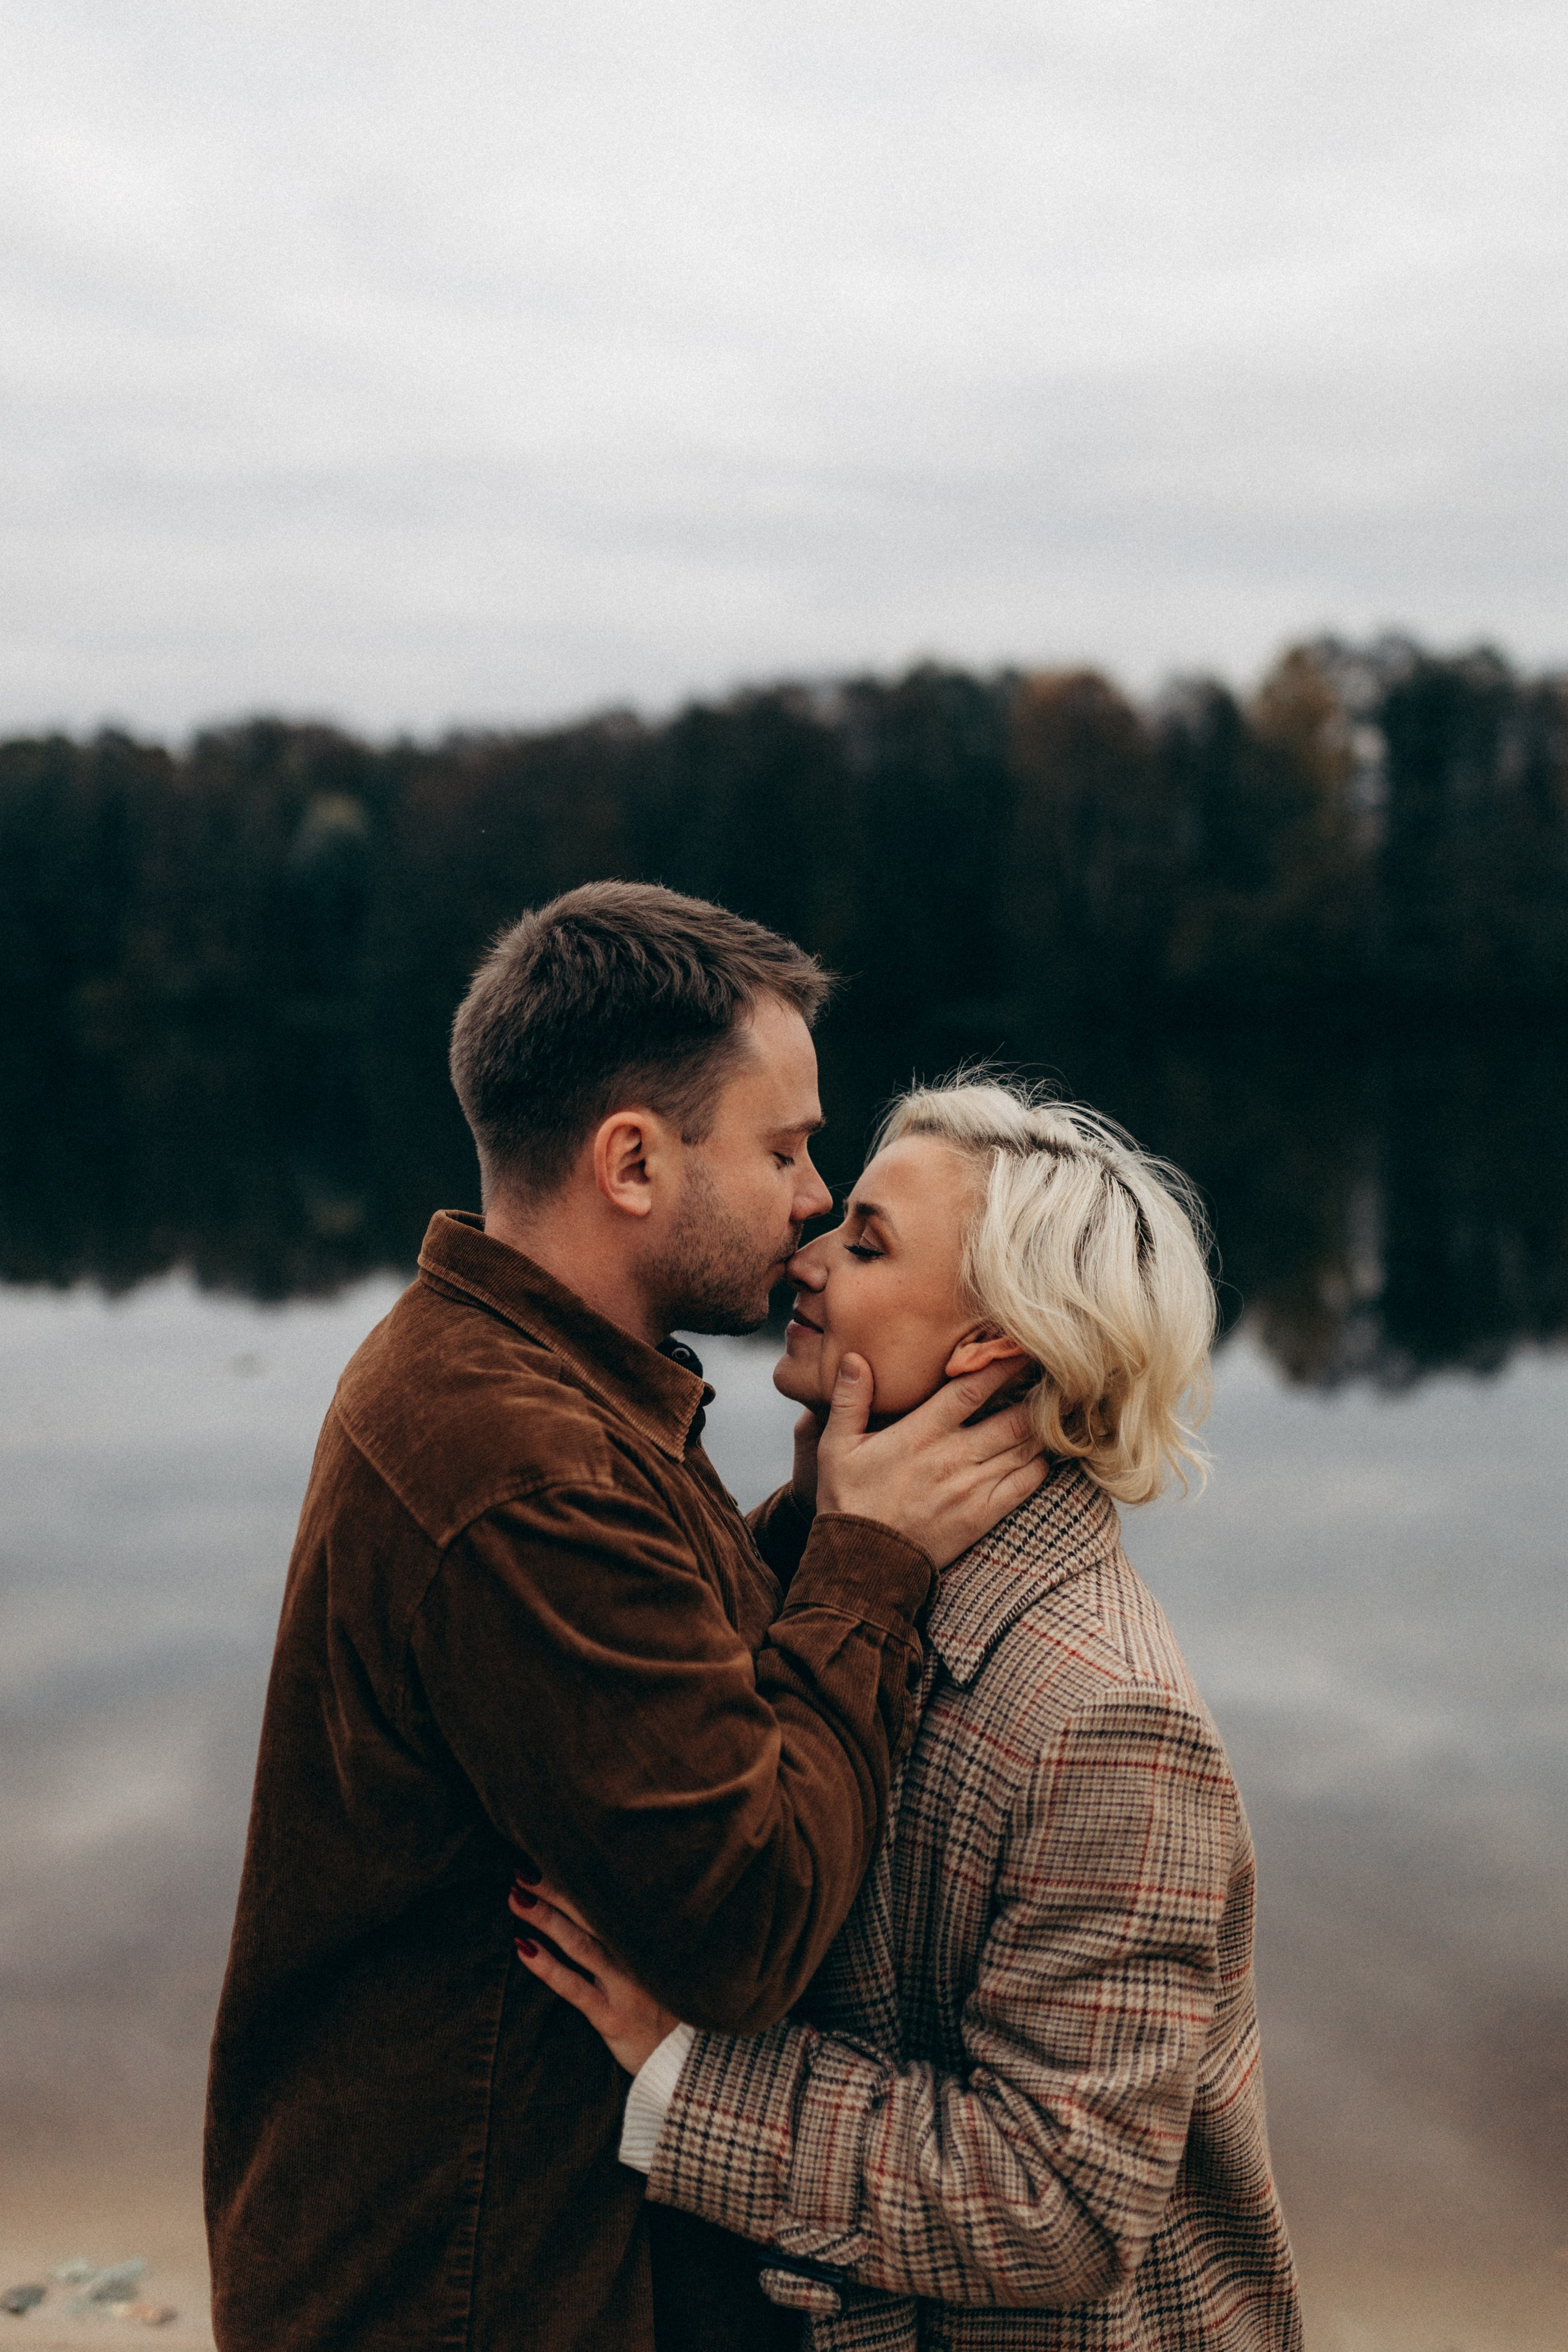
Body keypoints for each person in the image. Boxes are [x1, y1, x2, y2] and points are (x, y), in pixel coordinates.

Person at [204, 888, 1046, 2352]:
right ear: (635, 1160)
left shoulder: (520, 1377)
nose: (811, 1198)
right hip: (469, 2293)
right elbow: (747, 1921)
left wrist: (816, 1524)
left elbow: (661, 1669)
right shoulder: (517, 1460)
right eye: (782, 1147)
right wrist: (864, 1565)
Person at [508, 1078, 1303, 2351]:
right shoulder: (831, 1569)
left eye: (865, 1245)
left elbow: (1059, 2204)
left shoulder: (1104, 1716)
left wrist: (684, 2071)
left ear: (993, 1343)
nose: (803, 1257)